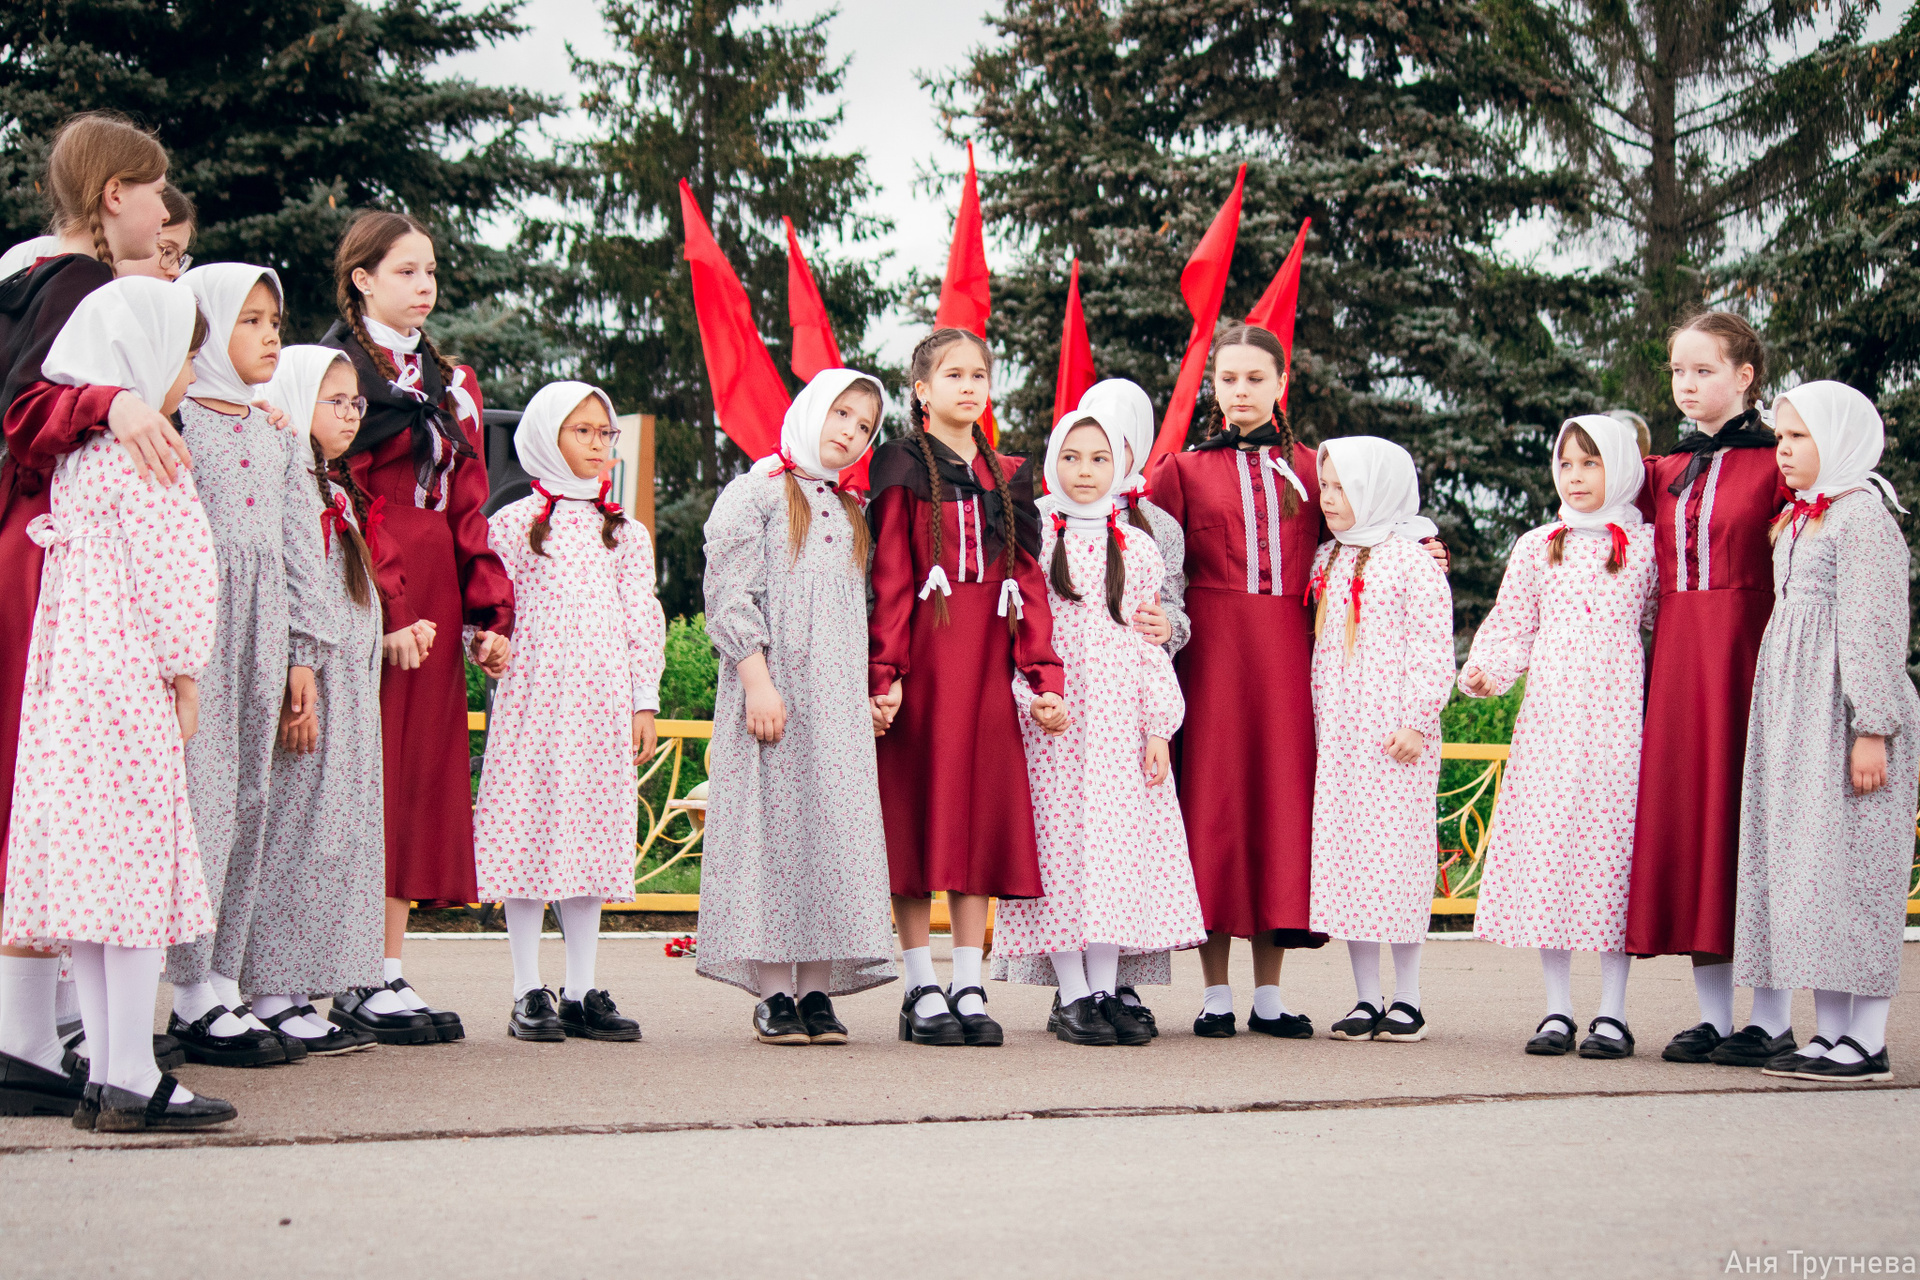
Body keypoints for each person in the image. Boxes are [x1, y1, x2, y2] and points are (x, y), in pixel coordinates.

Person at [1, 276, 235, 1130]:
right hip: (129, 683)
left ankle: (107, 1073)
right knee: (136, 873)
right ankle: (132, 1072)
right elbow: (179, 577)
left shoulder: (75, 461)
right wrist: (186, 673)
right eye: (183, 359)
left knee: (96, 880)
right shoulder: (154, 457)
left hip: (69, 686)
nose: (188, 378)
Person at [0, 112, 188, 1111]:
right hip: (54, 553)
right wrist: (110, 403)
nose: (163, 213)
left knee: (33, 789)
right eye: (154, 191)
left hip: (32, 540)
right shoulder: (76, 282)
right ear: (115, 194)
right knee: (64, 794)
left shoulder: (26, 274)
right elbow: (27, 407)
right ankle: (44, 1039)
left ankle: (27, 1034)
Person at [319, 210, 513, 1044]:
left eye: (430, 270)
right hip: (363, 572)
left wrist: (488, 610)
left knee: (415, 775)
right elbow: (347, 492)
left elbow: (468, 503)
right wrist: (389, 604)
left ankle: (385, 967)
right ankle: (336, 966)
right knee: (357, 773)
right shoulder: (336, 373)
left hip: (434, 581)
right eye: (405, 271)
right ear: (361, 279)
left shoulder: (449, 383)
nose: (425, 285)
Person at [866, 326, 1067, 1048]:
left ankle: (969, 981)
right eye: (953, 375)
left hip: (985, 668)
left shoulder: (1008, 474)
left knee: (975, 819)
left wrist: (1042, 673)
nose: (968, 386)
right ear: (923, 390)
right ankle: (920, 982)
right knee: (918, 819)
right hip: (923, 665)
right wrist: (884, 672)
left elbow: (1029, 583)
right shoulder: (899, 464)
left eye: (978, 374)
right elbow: (891, 578)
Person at [991, 408, 1206, 1045]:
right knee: (1060, 852)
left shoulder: (1137, 548)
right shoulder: (1033, 541)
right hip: (1056, 726)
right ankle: (1073, 994)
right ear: (1052, 462)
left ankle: (1106, 991)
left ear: (1119, 467)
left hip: (1119, 727)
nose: (1084, 471)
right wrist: (1034, 697)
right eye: (1071, 457)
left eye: (1099, 459)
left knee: (1115, 854)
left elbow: (1148, 645)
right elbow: (1015, 636)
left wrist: (1159, 727)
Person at [697, 369, 898, 1045]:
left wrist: (874, 687)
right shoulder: (755, 492)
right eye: (841, 414)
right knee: (773, 836)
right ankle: (774, 994)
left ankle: (816, 992)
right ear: (811, 411)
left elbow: (863, 611)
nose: (850, 432)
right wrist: (757, 681)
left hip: (836, 707)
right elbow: (730, 594)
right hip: (774, 694)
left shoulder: (851, 510)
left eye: (864, 425)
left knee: (831, 836)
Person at [163, 263, 329, 1069]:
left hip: (264, 633)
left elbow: (301, 546)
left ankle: (223, 977)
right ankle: (186, 987)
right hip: (200, 627)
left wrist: (303, 652)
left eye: (275, 321)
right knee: (200, 800)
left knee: (250, 801)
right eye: (250, 321)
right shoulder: (176, 420)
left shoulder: (277, 432)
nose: (269, 336)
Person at [1623, 312, 1797, 1068]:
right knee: (1698, 824)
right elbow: (1588, 510)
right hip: (1678, 662)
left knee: (1752, 827)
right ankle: (1714, 1017)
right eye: (1677, 371)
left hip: (1750, 653)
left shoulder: (1780, 462)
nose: (1686, 385)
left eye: (1704, 370)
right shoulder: (1662, 470)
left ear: (1744, 376)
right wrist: (1424, 540)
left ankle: (1773, 1019)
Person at [1735, 382, 1918, 1084]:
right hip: (1798, 716)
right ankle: (1830, 1031)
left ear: (1838, 441)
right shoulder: (1804, 517)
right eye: (1780, 437)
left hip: (1846, 717)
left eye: (1799, 437)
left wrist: (1873, 726)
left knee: (1857, 871)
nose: (1782, 450)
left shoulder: (1862, 518)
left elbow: (1874, 626)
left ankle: (1868, 1040)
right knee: (1813, 874)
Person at [1460, 416, 1659, 1058]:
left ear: (1621, 469)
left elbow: (1665, 624)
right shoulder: (1538, 545)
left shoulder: (1645, 547)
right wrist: (1488, 670)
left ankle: (1612, 1013)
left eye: (1590, 464)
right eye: (1567, 464)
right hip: (1549, 723)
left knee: (1609, 859)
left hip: (1617, 725)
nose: (1575, 477)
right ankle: (1556, 1009)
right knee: (1551, 856)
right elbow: (1513, 622)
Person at [475, 381, 661, 1043]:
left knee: (589, 835)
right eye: (582, 431)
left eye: (605, 433)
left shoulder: (626, 532)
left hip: (601, 708)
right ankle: (527, 988)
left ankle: (581, 989)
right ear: (545, 435)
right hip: (534, 703)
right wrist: (482, 644)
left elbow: (643, 620)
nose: (598, 443)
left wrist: (644, 701)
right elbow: (488, 606)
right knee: (526, 829)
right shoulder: (513, 523)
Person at [241, 345, 396, 1054]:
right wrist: (294, 675)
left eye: (356, 402)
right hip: (311, 691)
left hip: (348, 695)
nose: (351, 414)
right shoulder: (287, 482)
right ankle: (270, 991)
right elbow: (286, 588)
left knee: (331, 840)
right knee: (294, 836)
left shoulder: (329, 486)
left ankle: (301, 985)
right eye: (334, 401)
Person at [1308, 436, 1454, 1043]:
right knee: (1351, 863)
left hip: (1396, 741)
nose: (1329, 498)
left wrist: (1417, 720)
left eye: (1343, 487)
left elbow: (1433, 647)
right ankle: (1367, 997)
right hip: (1341, 740)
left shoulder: (1413, 562)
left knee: (1396, 862)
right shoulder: (1326, 559)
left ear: (1377, 489)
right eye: (1325, 486)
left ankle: (1409, 999)